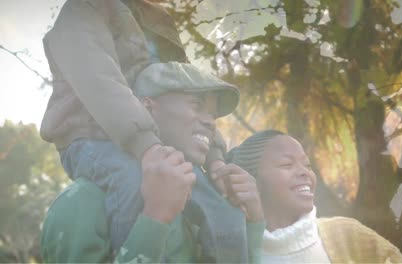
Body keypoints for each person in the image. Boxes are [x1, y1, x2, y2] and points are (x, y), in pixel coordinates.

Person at [39, 0, 226, 252]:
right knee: (135, 181)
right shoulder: (84, 8)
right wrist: (147, 147)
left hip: (154, 139)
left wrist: (215, 158)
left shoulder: (160, 18)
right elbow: (98, 79)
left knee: (215, 198)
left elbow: (189, 86)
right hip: (91, 136)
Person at [40, 62, 265, 263]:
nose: (211, 123)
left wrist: (253, 221)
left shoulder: (206, 202)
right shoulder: (82, 202)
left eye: (213, 115)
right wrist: (156, 215)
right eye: (197, 105)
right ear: (147, 108)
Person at [226, 129, 402, 263]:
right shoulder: (231, 252)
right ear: (251, 179)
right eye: (287, 165)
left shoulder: (345, 235)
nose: (304, 173)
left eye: (307, 165)